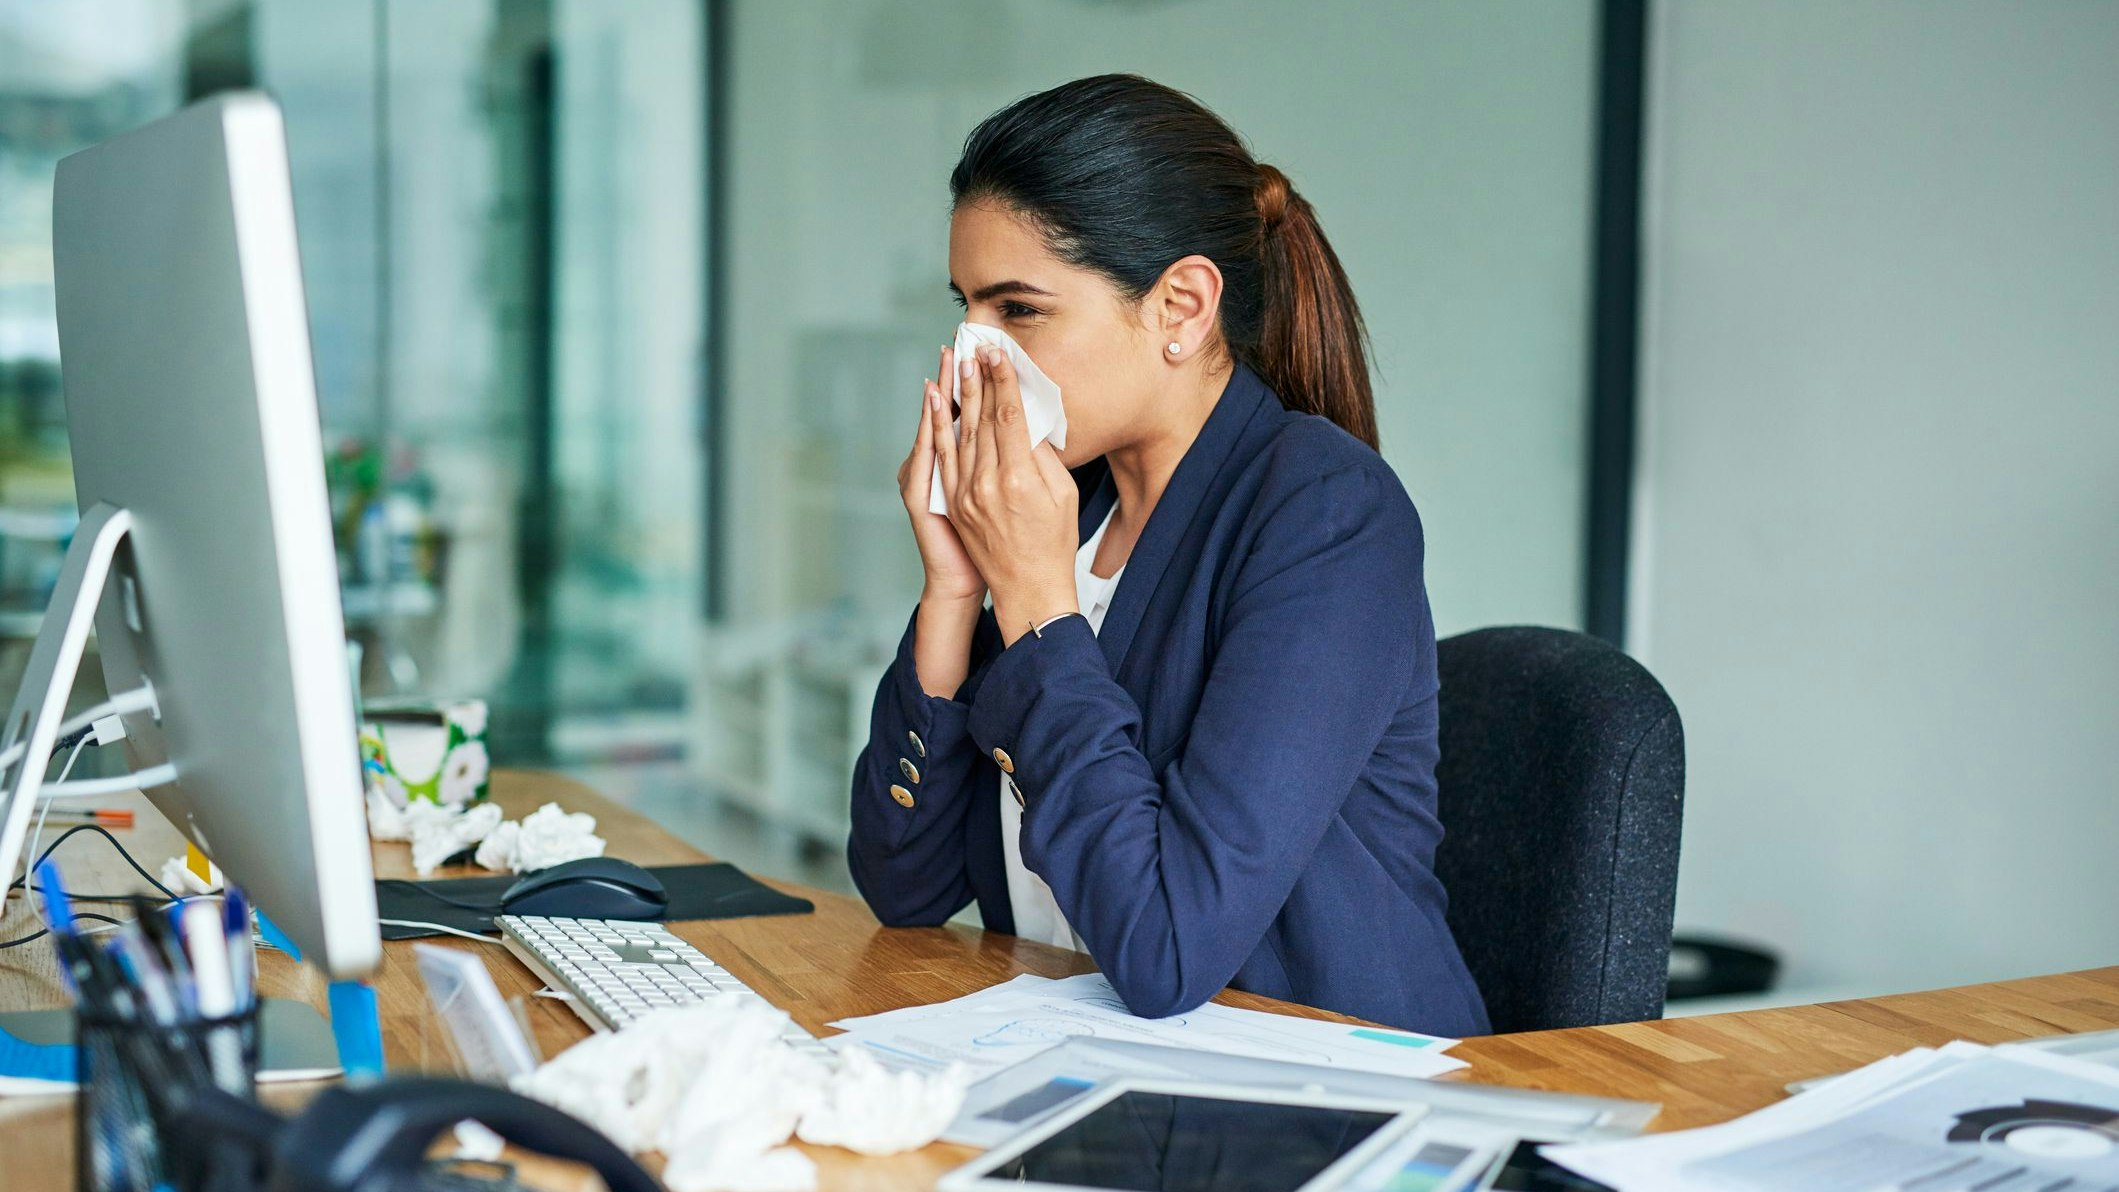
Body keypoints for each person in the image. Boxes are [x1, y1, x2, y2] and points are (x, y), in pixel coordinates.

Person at [847, 74, 1489, 1037]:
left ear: (1182, 308)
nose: (972, 353)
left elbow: (1164, 952)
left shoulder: (1326, 516)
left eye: (1017, 311)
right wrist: (953, 590)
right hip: (1098, 1068)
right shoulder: (1076, 505)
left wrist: (1034, 598)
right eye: (965, 309)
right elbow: (905, 885)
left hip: (1321, 1100)